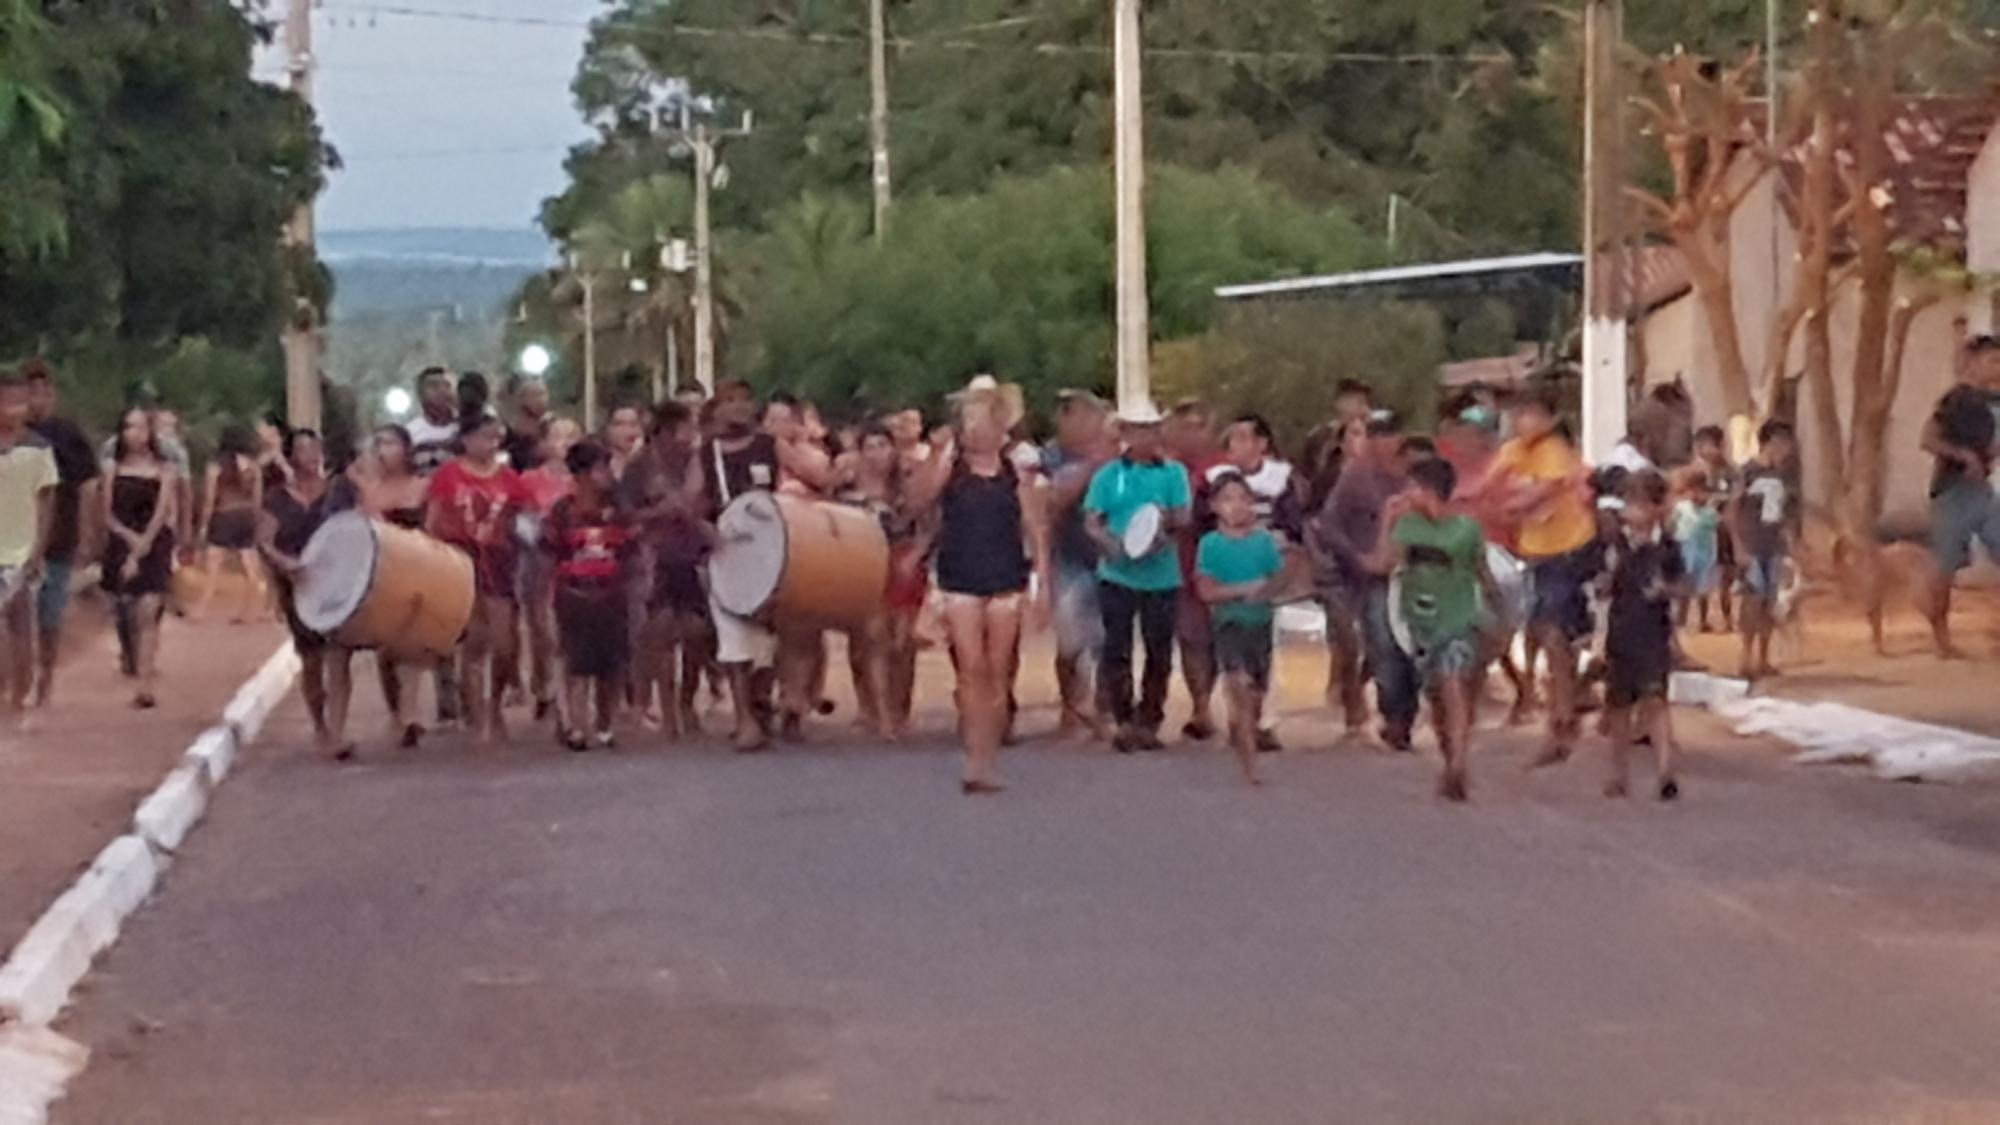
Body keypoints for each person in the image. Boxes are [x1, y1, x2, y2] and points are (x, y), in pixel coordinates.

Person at [907, 390, 1051, 793]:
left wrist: (1042, 587)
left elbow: (1036, 532)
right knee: (971, 670)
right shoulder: (950, 469)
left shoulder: (1017, 475)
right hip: (960, 576)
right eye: (968, 421)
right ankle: (974, 756)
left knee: (998, 671)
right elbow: (918, 502)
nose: (974, 429)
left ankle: (988, 756)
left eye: (982, 421)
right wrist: (937, 457)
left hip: (1006, 576)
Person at [1485, 388, 1598, 766]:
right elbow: (1487, 485)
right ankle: (1565, 708)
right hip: (1537, 554)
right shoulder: (1514, 451)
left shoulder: (1554, 452)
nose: (1523, 422)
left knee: (1551, 632)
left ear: (1549, 421)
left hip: (1567, 550)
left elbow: (1540, 494)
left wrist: (1504, 508)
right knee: (1546, 634)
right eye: (1519, 415)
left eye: (1532, 415)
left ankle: (1561, 717)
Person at [1366, 456, 1490, 801]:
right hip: (1421, 623)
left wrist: (1499, 612)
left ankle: (1458, 765)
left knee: (1454, 686)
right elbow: (1383, 563)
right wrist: (1387, 525)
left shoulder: (1466, 528)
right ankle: (1450, 757)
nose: (1405, 495)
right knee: (1436, 694)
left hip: (1458, 616)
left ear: (1426, 490)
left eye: (1411, 488)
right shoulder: (1407, 528)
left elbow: (1481, 571)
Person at [1085, 402, 1193, 753]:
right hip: (1117, 573)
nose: (1143, 437)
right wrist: (1111, 544)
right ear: (1125, 434)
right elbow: (1093, 520)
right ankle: (1123, 718)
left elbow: (1183, 516)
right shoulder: (1108, 475)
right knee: (1116, 647)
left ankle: (1150, 719)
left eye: (1148, 429)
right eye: (1135, 429)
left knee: (1159, 649)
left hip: (1162, 574)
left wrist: (1161, 531)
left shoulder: (1174, 473)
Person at [1317, 411, 1419, 750]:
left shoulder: (1414, 474)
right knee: (1384, 645)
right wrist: (1356, 557)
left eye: (1390, 434)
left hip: (1416, 572)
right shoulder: (1355, 477)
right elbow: (1329, 524)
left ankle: (1406, 713)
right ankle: (1394, 718)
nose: (1385, 441)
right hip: (1374, 576)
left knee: (1413, 647)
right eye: (1377, 435)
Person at [427, 411, 529, 743]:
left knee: (504, 642)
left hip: (499, 561)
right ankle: (477, 710)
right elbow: (434, 517)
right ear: (467, 439)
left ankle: (496, 701)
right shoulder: (448, 475)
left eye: (495, 437)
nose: (491, 443)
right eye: (485, 436)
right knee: (474, 639)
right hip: (461, 560)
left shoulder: (509, 477)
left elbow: (525, 518)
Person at [702, 381, 787, 750]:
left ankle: (762, 702)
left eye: (743, 400)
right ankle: (744, 718)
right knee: (733, 636)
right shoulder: (706, 454)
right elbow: (693, 503)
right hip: (728, 553)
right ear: (716, 409)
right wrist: (710, 535)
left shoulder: (769, 446)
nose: (738, 408)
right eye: (729, 401)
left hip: (773, 551)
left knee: (769, 637)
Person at [622, 402, 713, 741]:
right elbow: (627, 515)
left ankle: (687, 701)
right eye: (684, 429)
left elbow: (705, 505)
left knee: (697, 632)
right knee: (658, 633)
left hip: (693, 555)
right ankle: (668, 708)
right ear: (663, 433)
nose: (690, 437)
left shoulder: (700, 461)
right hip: (655, 556)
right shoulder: (639, 467)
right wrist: (663, 510)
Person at [259, 429, 354, 757]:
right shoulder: (277, 498)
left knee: (339, 654)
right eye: (302, 450)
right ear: (290, 456)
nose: (311, 456)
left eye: (315, 448)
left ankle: (338, 730)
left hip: (337, 582)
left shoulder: (339, 491)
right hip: (298, 585)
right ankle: (320, 724)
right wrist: (287, 565)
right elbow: (265, 542)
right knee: (311, 660)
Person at [541, 440, 636, 751]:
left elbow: (631, 550)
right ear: (581, 473)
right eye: (600, 468)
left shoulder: (619, 510)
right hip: (574, 594)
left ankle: (606, 724)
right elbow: (548, 552)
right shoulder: (563, 511)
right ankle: (575, 725)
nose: (607, 474)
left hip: (611, 594)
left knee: (612, 664)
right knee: (576, 663)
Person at [1195, 473, 1287, 787]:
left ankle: (1245, 730)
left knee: (1257, 691)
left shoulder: (1264, 541)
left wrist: (1269, 589)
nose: (1236, 506)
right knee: (1241, 686)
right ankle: (1250, 766)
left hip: (1260, 624)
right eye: (1228, 499)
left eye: (1242, 499)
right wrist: (1244, 589)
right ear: (1215, 507)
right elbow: (1207, 591)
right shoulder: (1210, 545)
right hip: (1229, 624)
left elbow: (1279, 581)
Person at [1602, 469, 1687, 802]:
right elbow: (1605, 585)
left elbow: (1683, 585)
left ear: (1656, 508)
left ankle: (1666, 770)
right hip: (1621, 633)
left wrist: (1665, 589)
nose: (1631, 511)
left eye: (1638, 504)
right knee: (1619, 708)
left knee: (1656, 702)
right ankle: (1619, 774)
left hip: (1653, 634)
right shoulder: (1616, 545)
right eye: (1628, 503)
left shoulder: (1667, 547)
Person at [349, 424, 434, 748]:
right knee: (387, 648)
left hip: (417, 566)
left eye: (391, 443)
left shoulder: (422, 485)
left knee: (413, 643)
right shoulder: (369, 488)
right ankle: (397, 710)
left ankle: (410, 714)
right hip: (382, 570)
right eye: (380, 443)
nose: (385, 450)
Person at [838, 422, 922, 737]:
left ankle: (901, 708)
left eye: (882, 445)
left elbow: (928, 521)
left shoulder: (909, 485)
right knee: (873, 639)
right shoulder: (846, 488)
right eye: (870, 446)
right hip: (864, 566)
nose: (877, 454)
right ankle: (880, 713)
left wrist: (917, 554)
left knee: (904, 642)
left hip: (903, 562)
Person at [22, 361, 97, 709]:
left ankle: (46, 678)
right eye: (29, 393)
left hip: (58, 538)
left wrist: (85, 534)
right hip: (13, 541)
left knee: (49, 616)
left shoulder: (67, 435)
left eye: (42, 393)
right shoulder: (11, 435)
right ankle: (19, 681)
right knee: (16, 617)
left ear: (52, 395)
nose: (36, 401)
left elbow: (86, 486)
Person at [1920, 336, 2000, 657]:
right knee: (1945, 567)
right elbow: (1927, 439)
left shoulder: (1991, 401)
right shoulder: (1955, 400)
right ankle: (1941, 640)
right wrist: (1963, 457)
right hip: (1951, 492)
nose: (1998, 367)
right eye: (1992, 361)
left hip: (1981, 491)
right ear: (1975, 362)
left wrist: (1987, 457)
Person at [1042, 391, 1113, 738]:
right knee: (1069, 640)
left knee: (1108, 639)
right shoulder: (1051, 456)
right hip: (1068, 554)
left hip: (1110, 557)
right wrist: (1091, 466)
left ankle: (1103, 709)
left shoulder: (1118, 456)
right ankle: (1070, 707)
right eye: (1072, 415)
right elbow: (1053, 500)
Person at [99, 406, 178, 711]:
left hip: (154, 544)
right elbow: (106, 512)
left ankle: (144, 685)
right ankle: (130, 657)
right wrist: (129, 540)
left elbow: (162, 512)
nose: (135, 434)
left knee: (149, 610)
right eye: (129, 427)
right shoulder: (112, 469)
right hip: (121, 541)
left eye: (141, 427)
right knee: (126, 610)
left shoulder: (165, 468)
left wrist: (143, 544)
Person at [1305, 415, 1374, 734]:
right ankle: (1352, 699)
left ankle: (1355, 685)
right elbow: (1310, 520)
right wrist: (1318, 557)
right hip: (1335, 569)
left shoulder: (1383, 477)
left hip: (1374, 567)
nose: (1363, 441)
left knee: (1377, 639)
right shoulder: (1329, 478)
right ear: (1344, 442)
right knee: (1346, 637)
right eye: (1357, 434)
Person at [1166, 399, 1226, 742]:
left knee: (1219, 638)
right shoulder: (1169, 469)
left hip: (1223, 566)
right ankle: (1200, 705)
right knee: (1192, 638)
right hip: (1183, 564)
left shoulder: (1222, 469)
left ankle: (1216, 700)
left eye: (1193, 426)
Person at [0, 371, 57, 717]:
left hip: (21, 550)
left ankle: (19, 696)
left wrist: (38, 552)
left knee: (22, 626)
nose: (13, 409)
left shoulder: (38, 450)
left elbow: (46, 502)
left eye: (19, 402)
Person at [519, 417, 582, 724]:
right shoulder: (529, 480)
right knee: (542, 629)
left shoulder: (585, 480)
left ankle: (566, 699)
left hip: (577, 561)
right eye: (558, 437)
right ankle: (544, 685)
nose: (565, 443)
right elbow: (521, 521)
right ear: (544, 445)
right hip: (540, 560)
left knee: (568, 631)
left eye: (572, 435)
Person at [1733, 420, 1798, 680]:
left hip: (1773, 545)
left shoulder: (1781, 477)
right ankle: (1745, 656)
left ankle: (1763, 657)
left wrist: (1790, 545)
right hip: (1752, 542)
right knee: (1753, 599)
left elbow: (1783, 515)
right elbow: (1733, 510)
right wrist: (1739, 546)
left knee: (1769, 601)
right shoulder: (1748, 472)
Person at [193, 424, 268, 623]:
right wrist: (256, 521)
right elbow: (258, 499)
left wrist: (203, 525)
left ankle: (200, 610)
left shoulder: (216, 466)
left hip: (224, 516)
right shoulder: (254, 467)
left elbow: (209, 498)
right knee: (251, 566)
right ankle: (255, 609)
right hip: (246, 516)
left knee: (213, 567)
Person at [1687, 425, 1738, 632]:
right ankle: (1702, 618)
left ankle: (1727, 616)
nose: (1704, 450)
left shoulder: (1729, 472)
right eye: (1701, 445)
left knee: (1726, 573)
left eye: (1708, 445)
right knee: (1704, 574)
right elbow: (1691, 496)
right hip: (1703, 532)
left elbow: (1736, 495)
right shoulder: (1695, 472)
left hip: (1725, 529)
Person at [1670, 465, 1724, 633]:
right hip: (1686, 553)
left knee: (1704, 590)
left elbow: (1718, 527)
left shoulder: (1710, 511)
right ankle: (1680, 621)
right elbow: (1671, 527)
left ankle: (1703, 620)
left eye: (1700, 490)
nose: (1695, 494)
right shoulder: (1681, 509)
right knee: (1684, 590)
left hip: (1705, 553)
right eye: (1691, 489)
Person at [405, 367, 459, 476]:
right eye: (434, 386)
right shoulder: (410, 432)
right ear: (420, 394)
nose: (442, 390)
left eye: (447, 385)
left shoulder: (468, 426)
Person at [503, 375, 552, 472]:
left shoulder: (551, 427)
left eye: (543, 394)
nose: (541, 400)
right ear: (522, 399)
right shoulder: (508, 433)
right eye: (535, 395)